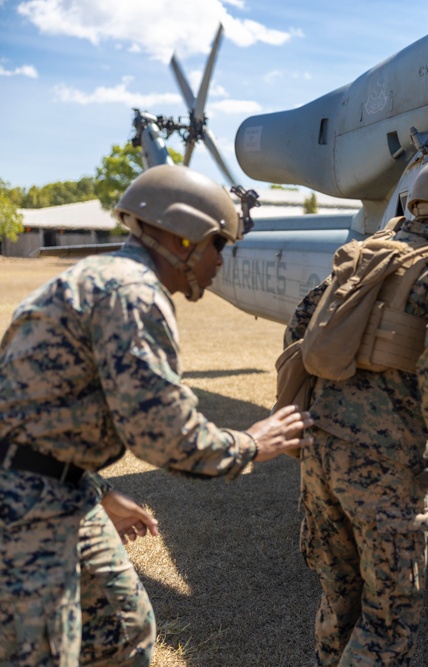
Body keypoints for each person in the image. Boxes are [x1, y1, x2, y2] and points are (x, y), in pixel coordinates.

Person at [0, 164, 314, 667]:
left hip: (59, 487)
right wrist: (255, 442)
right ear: (183, 238)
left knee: (123, 632)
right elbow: (167, 435)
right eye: (218, 244)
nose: (221, 261)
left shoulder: (102, 279)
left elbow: (36, 417)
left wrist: (95, 491)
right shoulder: (132, 294)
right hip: (24, 508)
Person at [285, 156, 428, 666]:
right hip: (383, 465)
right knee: (387, 622)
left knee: (341, 600)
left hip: (318, 453)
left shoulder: (367, 252)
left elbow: (299, 326)